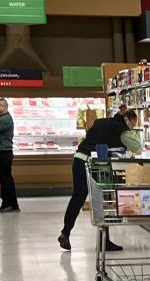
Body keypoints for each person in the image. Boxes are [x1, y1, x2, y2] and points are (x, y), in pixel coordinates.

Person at [59, 108, 143, 252]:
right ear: (127, 119)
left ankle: (65, 233)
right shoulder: (121, 128)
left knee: (78, 198)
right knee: (106, 200)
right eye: (132, 125)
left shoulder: (101, 122)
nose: (131, 129)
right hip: (95, 165)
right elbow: (137, 148)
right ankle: (105, 240)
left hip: (79, 159)